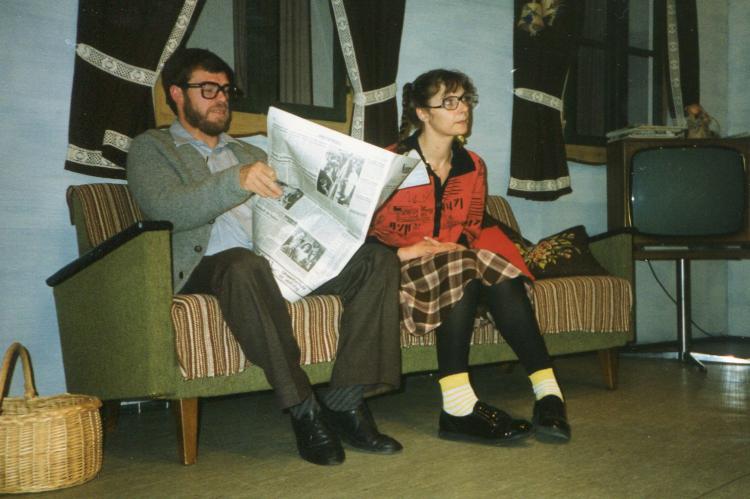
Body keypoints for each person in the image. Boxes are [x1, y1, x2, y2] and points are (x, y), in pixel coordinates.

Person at [127, 48, 403, 466]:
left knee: (376, 261)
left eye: (225, 90)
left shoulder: (251, 152)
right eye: (208, 89)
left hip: (279, 258)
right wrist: (235, 181)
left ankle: (345, 401)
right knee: (242, 263)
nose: (221, 98)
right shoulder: (153, 148)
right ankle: (304, 408)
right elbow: (166, 209)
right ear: (177, 94)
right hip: (208, 265)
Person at [368, 69, 571, 445]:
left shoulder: (473, 165)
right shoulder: (388, 162)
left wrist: (458, 245)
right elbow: (358, 229)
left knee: (495, 267)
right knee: (467, 265)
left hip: (452, 265)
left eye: (464, 99)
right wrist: (404, 251)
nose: (462, 108)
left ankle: (548, 394)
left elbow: (472, 225)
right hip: (396, 266)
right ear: (423, 113)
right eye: (449, 102)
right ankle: (457, 406)